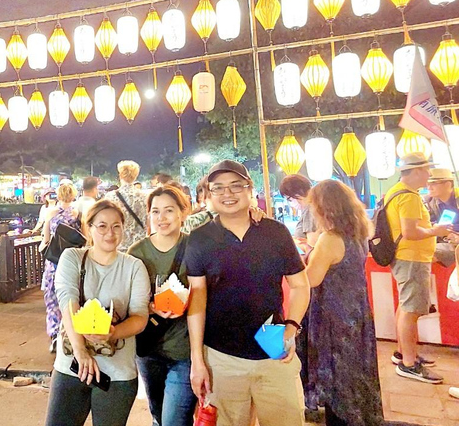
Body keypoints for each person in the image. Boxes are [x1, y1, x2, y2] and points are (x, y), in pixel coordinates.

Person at [186, 160, 310, 426]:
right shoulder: (199, 239)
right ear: (208, 195)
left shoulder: (275, 233)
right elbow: (197, 300)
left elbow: (301, 285)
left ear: (249, 189)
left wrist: (291, 327)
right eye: (218, 188)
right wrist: (198, 359)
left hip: (274, 350)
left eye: (235, 186)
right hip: (221, 356)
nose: (227, 194)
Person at [45, 200, 150, 426]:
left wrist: (113, 332)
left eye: (116, 226)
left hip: (117, 372)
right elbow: (68, 303)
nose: (109, 233)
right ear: (89, 228)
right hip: (72, 367)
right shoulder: (72, 257)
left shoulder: (134, 266)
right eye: (102, 226)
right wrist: (81, 352)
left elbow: (140, 317)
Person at [305, 180, 384, 426]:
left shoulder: (330, 239)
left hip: (333, 315)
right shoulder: (359, 232)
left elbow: (311, 278)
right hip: (356, 310)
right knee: (356, 372)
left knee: (336, 378)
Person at [128, 186, 197, 426]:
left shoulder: (196, 247)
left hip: (185, 350)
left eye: (169, 210)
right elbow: (129, 301)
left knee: (174, 421)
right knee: (158, 416)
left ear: (183, 212)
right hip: (149, 349)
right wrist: (149, 307)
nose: (161, 218)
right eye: (155, 211)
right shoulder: (136, 253)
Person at [384, 152, 449, 383]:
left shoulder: (396, 191)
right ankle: (408, 364)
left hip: (406, 257)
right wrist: (436, 231)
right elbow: (411, 232)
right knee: (411, 311)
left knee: (405, 307)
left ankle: (404, 352)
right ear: (416, 171)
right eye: (426, 170)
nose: (429, 175)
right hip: (411, 258)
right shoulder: (409, 197)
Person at [41, 182, 82, 352]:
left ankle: (55, 336)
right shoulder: (77, 214)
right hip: (72, 262)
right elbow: (85, 238)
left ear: (58, 195)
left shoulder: (51, 213)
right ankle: (70, 335)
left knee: (52, 301)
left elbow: (45, 239)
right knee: (72, 298)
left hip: (54, 262)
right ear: (73, 195)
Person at [105, 160, 148, 252]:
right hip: (139, 246)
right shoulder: (145, 197)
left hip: (118, 244)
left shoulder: (110, 197)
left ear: (120, 175)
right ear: (136, 176)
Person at [424, 167, 459, 267]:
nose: (429, 187)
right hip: (443, 241)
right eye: (427, 184)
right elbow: (426, 224)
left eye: (434, 183)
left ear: (448, 184)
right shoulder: (427, 201)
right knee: (425, 252)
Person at [279, 174, 319, 254]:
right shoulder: (313, 207)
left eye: (289, 199)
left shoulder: (310, 209)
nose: (290, 203)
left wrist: (294, 241)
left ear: (297, 193)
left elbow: (312, 247)